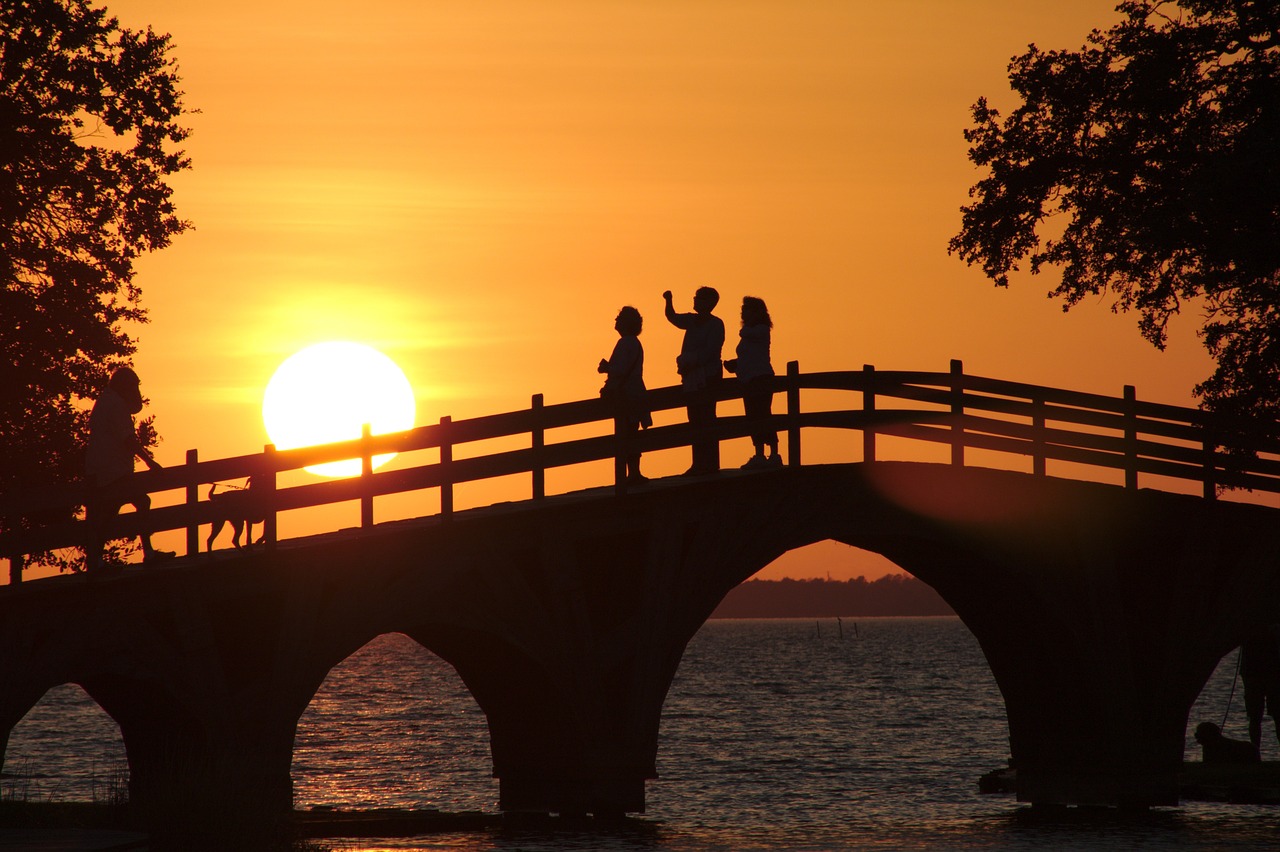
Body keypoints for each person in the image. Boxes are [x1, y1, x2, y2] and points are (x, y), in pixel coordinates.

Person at [84, 367, 172, 570]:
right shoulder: (116, 405)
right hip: (112, 471)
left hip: (99, 470)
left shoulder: (105, 401)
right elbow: (128, 438)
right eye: (133, 387)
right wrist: (150, 463)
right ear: (125, 386)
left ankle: (96, 560)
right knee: (141, 501)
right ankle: (148, 554)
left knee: (107, 513)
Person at [663, 287, 724, 475]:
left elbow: (711, 351)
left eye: (698, 298)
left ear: (709, 302)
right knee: (694, 419)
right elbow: (672, 317)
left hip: (708, 377)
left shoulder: (716, 324)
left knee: (707, 418)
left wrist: (692, 362)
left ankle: (710, 463)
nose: (695, 300)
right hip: (692, 378)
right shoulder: (692, 320)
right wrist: (668, 301)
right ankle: (698, 463)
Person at [724, 296, 780, 470]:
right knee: (753, 417)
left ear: (757, 312)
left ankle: (774, 454)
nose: (743, 312)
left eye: (746, 309)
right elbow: (749, 357)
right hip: (748, 380)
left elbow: (747, 334)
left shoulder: (761, 330)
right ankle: (759, 454)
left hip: (761, 378)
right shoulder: (749, 332)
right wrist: (736, 364)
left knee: (763, 415)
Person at [598, 306, 652, 484]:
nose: (616, 320)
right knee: (631, 433)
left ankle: (632, 474)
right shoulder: (633, 342)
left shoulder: (626, 342)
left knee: (626, 434)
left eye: (619, 318)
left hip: (626, 395)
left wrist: (606, 368)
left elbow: (620, 370)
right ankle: (634, 473)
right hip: (634, 392)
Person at [1242, 625, 1280, 752]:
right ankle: (1255, 751)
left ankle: (1255, 752)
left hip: (1267, 674)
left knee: (1262, 716)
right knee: (1257, 716)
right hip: (1260, 674)